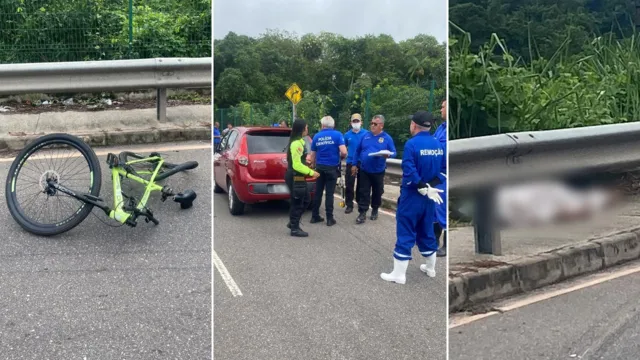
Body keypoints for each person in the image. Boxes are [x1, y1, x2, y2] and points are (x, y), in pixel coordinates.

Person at [381, 111, 445, 284]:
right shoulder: (437, 144)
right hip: (431, 196)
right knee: (426, 230)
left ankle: (399, 274)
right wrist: (430, 185)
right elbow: (443, 170)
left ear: (414, 125)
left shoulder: (411, 144)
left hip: (412, 196)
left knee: (406, 229)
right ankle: (430, 268)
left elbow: (409, 169)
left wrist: (420, 185)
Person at [352, 114, 396, 224]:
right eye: (371, 123)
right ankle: (362, 213)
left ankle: (375, 209)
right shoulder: (365, 136)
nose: (372, 125)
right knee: (364, 191)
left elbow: (394, 152)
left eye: (375, 124)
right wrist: (353, 164)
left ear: (381, 125)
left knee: (377, 191)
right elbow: (357, 151)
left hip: (378, 171)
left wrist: (388, 155)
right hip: (364, 170)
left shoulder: (387, 138)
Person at [309, 116, 347, 226]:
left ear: (322, 125)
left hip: (320, 168)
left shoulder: (317, 136)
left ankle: (314, 216)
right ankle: (330, 219)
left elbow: (312, 155)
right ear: (333, 125)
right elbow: (344, 152)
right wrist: (340, 156)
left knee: (318, 192)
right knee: (330, 194)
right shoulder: (338, 135)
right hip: (332, 168)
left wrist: (312, 164)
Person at [285, 118, 320, 237]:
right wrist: (311, 172)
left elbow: (299, 161)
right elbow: (296, 164)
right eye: (306, 127)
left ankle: (293, 222)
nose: (307, 129)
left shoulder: (300, 142)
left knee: (305, 199)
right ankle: (294, 228)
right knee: (298, 201)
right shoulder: (296, 143)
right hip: (295, 176)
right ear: (302, 129)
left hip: (298, 176)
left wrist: (307, 163)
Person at [344, 113, 369, 214]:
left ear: (361, 122)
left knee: (361, 185)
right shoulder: (347, 135)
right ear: (351, 123)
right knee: (349, 184)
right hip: (350, 162)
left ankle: (360, 202)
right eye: (354, 121)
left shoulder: (366, 134)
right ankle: (349, 204)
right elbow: (343, 148)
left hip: (362, 162)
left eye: (357, 121)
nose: (356, 123)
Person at [434, 100, 448, 257]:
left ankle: (446, 246)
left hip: (445, 173)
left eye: (443, 107)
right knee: (435, 208)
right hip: (436, 173)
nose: (441, 109)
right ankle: (435, 241)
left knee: (442, 209)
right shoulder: (440, 127)